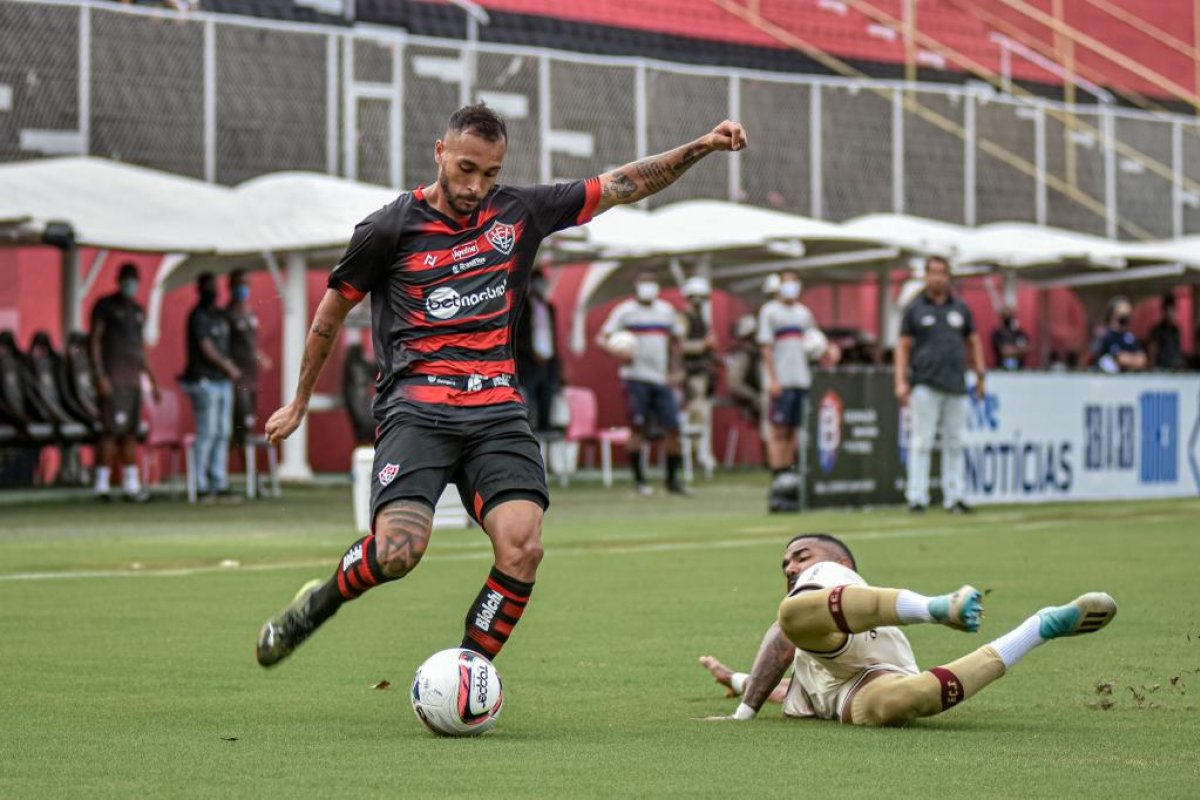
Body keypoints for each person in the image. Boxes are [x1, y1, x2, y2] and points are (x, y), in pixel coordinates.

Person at [256, 104, 748, 668]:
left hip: (496, 412)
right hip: (417, 410)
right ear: (440, 153)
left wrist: (702, 145)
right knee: (398, 552)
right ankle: (320, 602)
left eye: (490, 174)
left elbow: (623, 183)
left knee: (523, 547)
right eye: (466, 169)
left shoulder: (519, 212)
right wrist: (298, 401)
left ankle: (468, 673)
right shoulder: (387, 228)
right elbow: (328, 315)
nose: (476, 186)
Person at [697, 533, 1116, 726]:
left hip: (848, 624)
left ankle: (936, 608)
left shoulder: (827, 575)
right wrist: (735, 679)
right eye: (785, 564)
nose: (790, 566)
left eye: (800, 556)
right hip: (853, 684)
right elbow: (788, 688)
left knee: (792, 616)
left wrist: (743, 712)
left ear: (840, 565)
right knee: (902, 703)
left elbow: (782, 639)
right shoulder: (804, 656)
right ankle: (1040, 627)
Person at [894, 257, 985, 514]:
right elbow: (902, 347)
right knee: (921, 442)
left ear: (949, 277)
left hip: (956, 383)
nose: (937, 278)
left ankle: (954, 496)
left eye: (942, 273)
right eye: (932, 273)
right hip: (925, 383)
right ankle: (917, 497)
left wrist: (980, 375)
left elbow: (974, 341)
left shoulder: (961, 308)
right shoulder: (914, 308)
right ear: (925, 276)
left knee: (956, 442)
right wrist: (900, 381)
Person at [598, 268, 689, 496]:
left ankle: (672, 481)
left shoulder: (666, 311)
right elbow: (602, 337)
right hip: (635, 378)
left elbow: (677, 343)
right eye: (643, 282)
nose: (648, 288)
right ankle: (639, 481)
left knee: (673, 428)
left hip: (661, 379)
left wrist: (677, 370)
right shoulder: (625, 311)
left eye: (652, 283)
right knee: (637, 428)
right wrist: (616, 351)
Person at [757, 270, 837, 512]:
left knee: (795, 433)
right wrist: (773, 379)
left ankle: (791, 485)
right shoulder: (770, 311)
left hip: (802, 380)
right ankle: (778, 483)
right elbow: (766, 348)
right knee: (778, 431)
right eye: (786, 284)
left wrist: (828, 351)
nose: (791, 288)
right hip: (781, 380)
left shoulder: (804, 314)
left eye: (794, 283)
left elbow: (815, 342)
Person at [88, 262, 158, 502]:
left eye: (135, 278)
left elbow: (140, 349)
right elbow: (95, 341)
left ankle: (131, 485)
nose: (131, 283)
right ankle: (101, 485)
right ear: (119, 280)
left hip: (133, 383)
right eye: (127, 278)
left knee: (130, 433)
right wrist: (100, 376)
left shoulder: (138, 311)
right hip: (113, 381)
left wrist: (152, 380)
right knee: (110, 433)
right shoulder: (106, 306)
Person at [181, 272, 240, 500]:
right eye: (209, 286)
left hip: (222, 382)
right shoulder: (198, 316)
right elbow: (207, 348)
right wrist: (228, 366)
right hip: (205, 381)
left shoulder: (219, 315)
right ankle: (200, 483)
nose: (213, 290)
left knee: (223, 432)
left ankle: (218, 480)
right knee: (207, 432)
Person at [225, 270, 271, 453]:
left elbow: (250, 344)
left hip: (251, 377)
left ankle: (248, 473)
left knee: (249, 423)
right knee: (237, 425)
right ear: (231, 287)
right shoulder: (228, 314)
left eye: (245, 284)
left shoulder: (251, 312)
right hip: (237, 379)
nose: (242, 289)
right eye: (238, 284)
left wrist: (260, 357)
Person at [514, 265, 560, 434]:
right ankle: (529, 434)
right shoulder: (521, 307)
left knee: (547, 401)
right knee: (530, 403)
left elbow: (553, 338)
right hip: (529, 363)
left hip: (548, 364)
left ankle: (544, 433)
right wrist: (532, 353)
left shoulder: (549, 308)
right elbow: (516, 337)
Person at [680, 276, 718, 474]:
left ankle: (699, 457)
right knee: (695, 416)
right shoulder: (684, 319)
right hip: (690, 376)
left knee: (702, 417)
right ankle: (693, 458)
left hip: (703, 375)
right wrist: (703, 345)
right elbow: (680, 346)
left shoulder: (701, 319)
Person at [1088, 296, 1147, 374]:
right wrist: (1128, 359)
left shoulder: (1131, 338)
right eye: (1123, 314)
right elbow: (1119, 358)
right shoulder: (1104, 337)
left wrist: (1127, 359)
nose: (1126, 316)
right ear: (1112, 314)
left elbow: (1142, 360)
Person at [1147, 293, 1183, 371]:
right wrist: (1151, 368)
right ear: (1164, 310)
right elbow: (1152, 350)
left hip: (1174, 368)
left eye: (1173, 310)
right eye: (1169, 310)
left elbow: (1177, 349)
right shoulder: (1158, 330)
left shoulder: (1175, 330)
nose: (1172, 313)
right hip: (1160, 368)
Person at [990, 305, 1030, 371]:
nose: (1007, 317)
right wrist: (1020, 351)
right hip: (1002, 369)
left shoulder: (1019, 333)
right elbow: (1004, 352)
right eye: (1005, 314)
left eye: (1009, 314)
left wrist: (1012, 350)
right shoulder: (997, 334)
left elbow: (1029, 348)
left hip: (1019, 369)